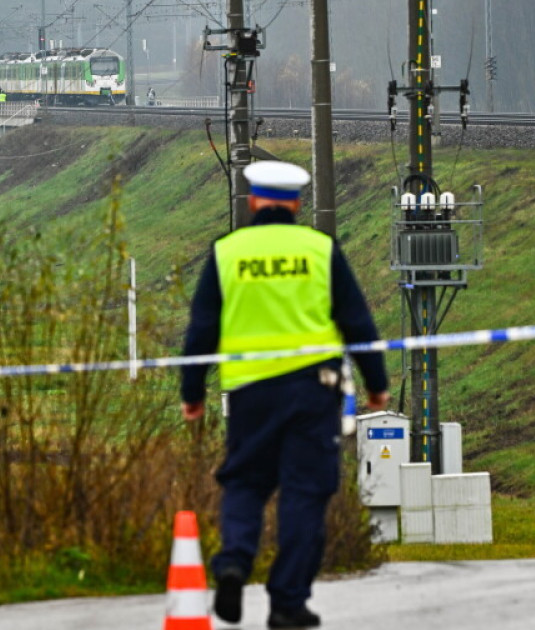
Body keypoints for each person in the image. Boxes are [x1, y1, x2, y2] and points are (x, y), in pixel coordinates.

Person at [181, 161, 390, 629]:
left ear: (254, 200)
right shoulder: (320, 250)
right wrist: (376, 383)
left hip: (249, 393)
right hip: (311, 394)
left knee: (245, 482)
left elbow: (201, 330)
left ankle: (233, 561)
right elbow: (356, 321)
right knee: (304, 492)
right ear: (296, 203)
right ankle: (287, 602)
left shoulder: (226, 252)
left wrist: (191, 391)